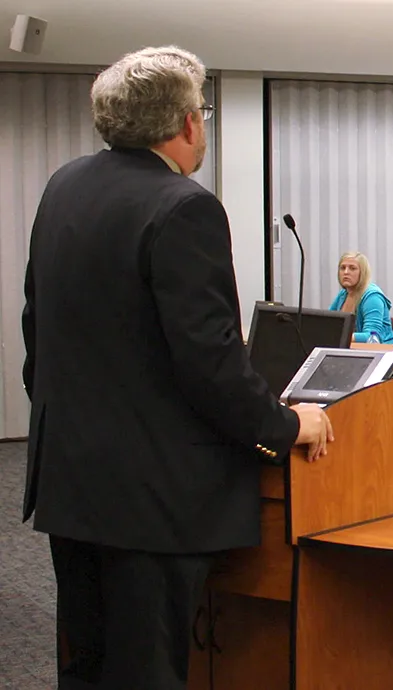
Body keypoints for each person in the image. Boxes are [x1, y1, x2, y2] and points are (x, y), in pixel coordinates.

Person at [20, 46, 333, 690]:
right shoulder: (184, 205)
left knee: (87, 664)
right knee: (147, 670)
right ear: (187, 124)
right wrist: (284, 423)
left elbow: (38, 329)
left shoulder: (65, 186)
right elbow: (209, 363)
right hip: (153, 498)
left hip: (71, 480)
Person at [328, 252, 393, 343]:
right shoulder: (343, 294)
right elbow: (328, 323)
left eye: (352, 268)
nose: (346, 272)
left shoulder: (372, 297)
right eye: (342, 268)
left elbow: (372, 336)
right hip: (349, 349)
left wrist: (338, 336)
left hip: (378, 352)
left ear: (362, 273)